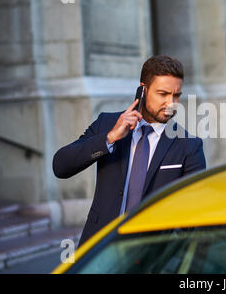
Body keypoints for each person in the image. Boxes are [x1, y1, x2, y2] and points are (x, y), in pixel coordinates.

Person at [53, 55, 206, 247]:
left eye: (176, 96)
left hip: (151, 256)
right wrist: (109, 139)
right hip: (99, 249)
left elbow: (193, 215)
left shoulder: (189, 145)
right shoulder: (106, 124)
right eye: (163, 94)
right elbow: (61, 166)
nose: (171, 103)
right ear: (143, 90)